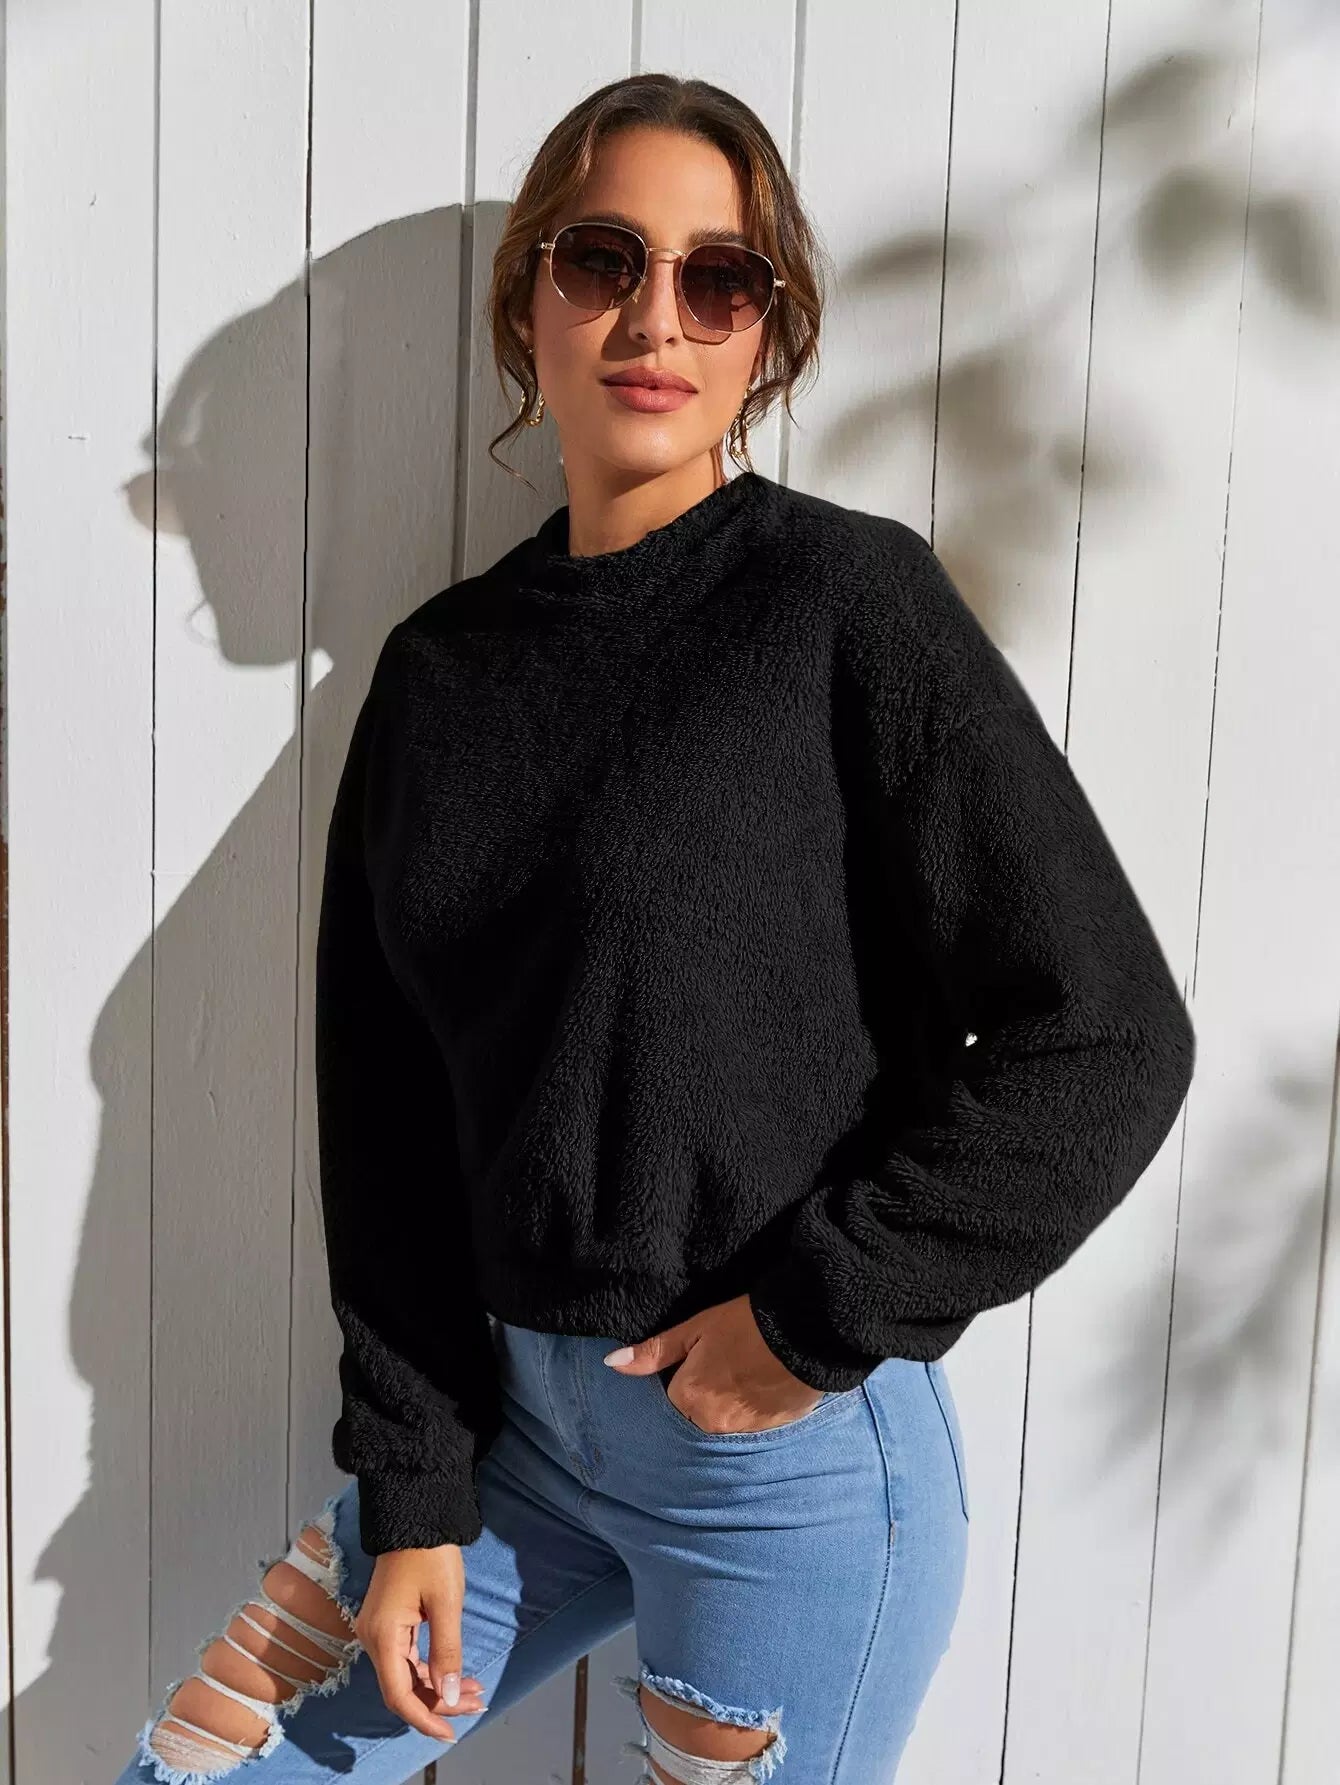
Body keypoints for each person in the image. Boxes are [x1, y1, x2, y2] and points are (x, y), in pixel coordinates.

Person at [117, 72, 1195, 1785]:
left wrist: (817, 1313)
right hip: (514, 1440)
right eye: (604, 258)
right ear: (529, 300)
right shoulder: (437, 676)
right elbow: (388, 1116)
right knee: (197, 1769)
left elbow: (1106, 1031)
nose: (655, 317)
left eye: (720, 278)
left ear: (768, 333)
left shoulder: (844, 605)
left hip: (781, 1459)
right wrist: (416, 1487)